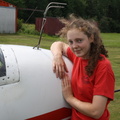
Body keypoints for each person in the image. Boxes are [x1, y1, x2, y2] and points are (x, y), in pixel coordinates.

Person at [50, 14, 115, 120]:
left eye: (79, 40)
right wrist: (57, 56)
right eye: (71, 42)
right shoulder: (78, 57)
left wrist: (69, 98)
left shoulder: (103, 67)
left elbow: (96, 112)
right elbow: (57, 44)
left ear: (91, 38)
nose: (74, 46)